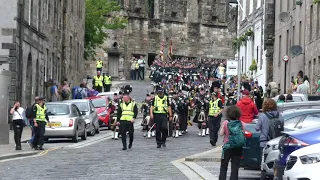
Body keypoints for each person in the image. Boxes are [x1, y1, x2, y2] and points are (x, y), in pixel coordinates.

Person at [255, 99, 284, 179]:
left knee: (264, 163)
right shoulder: (280, 115)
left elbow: (257, 128)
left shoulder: (262, 116)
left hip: (265, 143)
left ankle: (264, 177)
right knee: (276, 161)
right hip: (276, 142)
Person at [219, 105, 244, 180]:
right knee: (235, 167)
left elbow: (221, 133)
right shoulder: (240, 123)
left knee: (224, 166)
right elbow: (243, 133)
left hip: (227, 146)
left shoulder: (226, 122)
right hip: (237, 147)